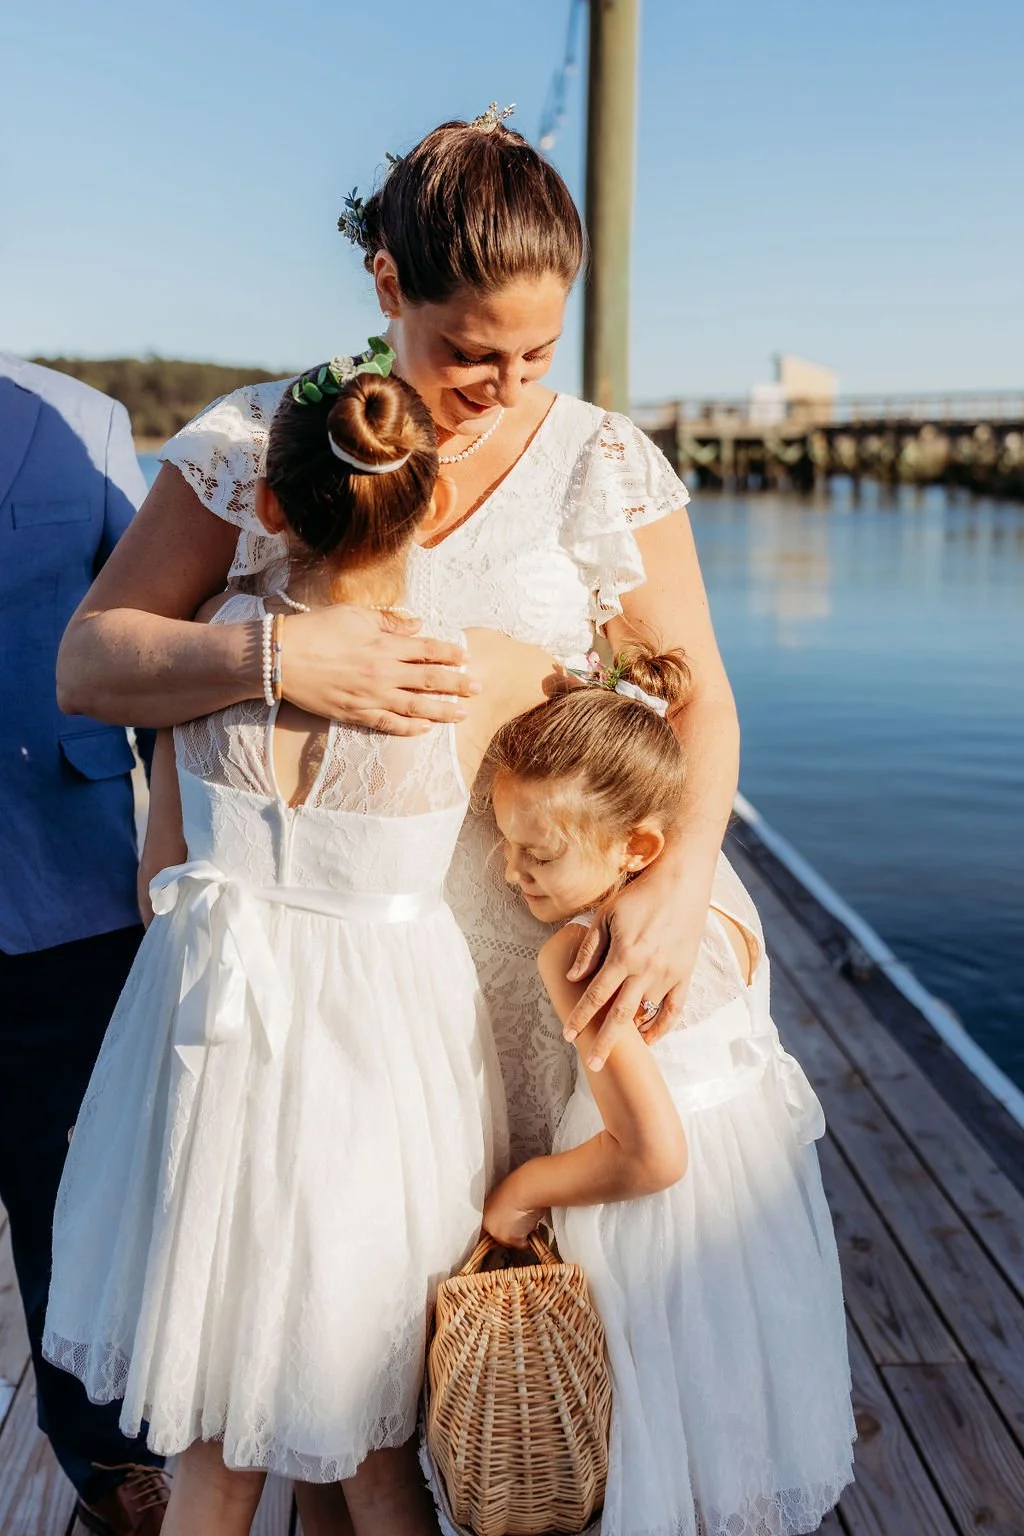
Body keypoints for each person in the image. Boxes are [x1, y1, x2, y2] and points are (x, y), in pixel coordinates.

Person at [55, 106, 741, 1168]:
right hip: (332, 1003)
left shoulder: (599, 460)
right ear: (388, 286)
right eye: (470, 352)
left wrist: (679, 883)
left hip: (550, 965)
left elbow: (697, 700)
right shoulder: (261, 444)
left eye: (538, 352)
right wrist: (276, 659)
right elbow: (89, 662)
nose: (506, 390)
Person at [44, 358, 566, 1536]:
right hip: (381, 1066)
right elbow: (623, 708)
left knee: (213, 1449)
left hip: (209, 1053)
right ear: (433, 503)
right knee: (378, 1445)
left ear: (268, 505)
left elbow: (157, 880)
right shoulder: (475, 671)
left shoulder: (204, 641)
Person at [475, 649, 855, 1536]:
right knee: (733, 1428)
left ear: (638, 846)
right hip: (754, 1213)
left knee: (657, 1443)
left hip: (660, 1236)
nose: (509, 872)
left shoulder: (578, 953)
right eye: (504, 844)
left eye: (538, 854)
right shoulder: (718, 894)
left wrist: (521, 1192)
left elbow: (649, 1154)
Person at [0, 352, 170, 1535]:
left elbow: (155, 635)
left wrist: (179, 853)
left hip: (71, 890)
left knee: (75, 1200)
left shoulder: (82, 420)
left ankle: (107, 1462)